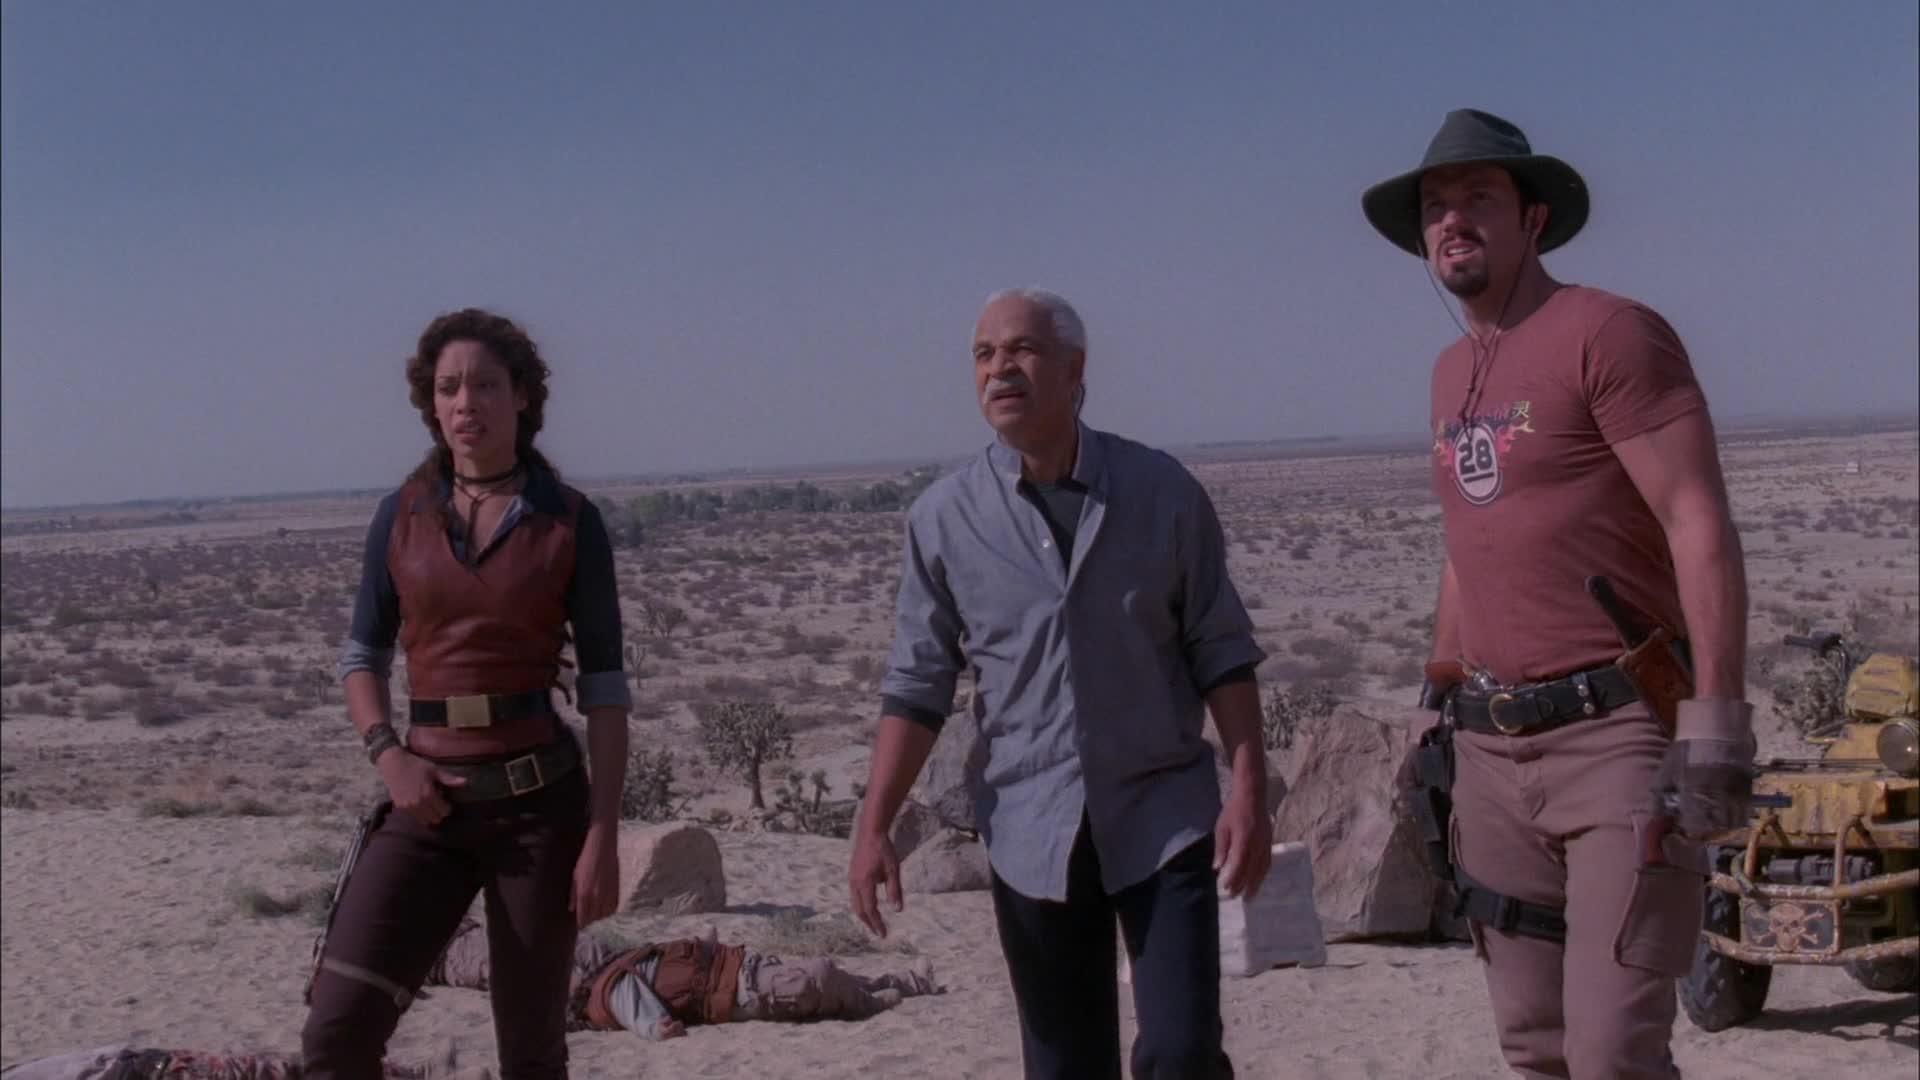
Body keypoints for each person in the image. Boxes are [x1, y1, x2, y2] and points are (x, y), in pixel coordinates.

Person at [1362, 109, 1752, 1077]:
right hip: (1490, 752)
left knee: (1614, 1053)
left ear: (1533, 217)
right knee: (1534, 1049)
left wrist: (1716, 724)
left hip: (1616, 735)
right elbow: (1473, 542)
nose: (1452, 220)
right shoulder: (1451, 373)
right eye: (1435, 206)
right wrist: (1434, 695)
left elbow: (1696, 520)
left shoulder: (1609, 334)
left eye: (1477, 198)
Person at [847, 288, 1271, 1080]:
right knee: (1065, 1067)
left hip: (1162, 814)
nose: (999, 370)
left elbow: (1220, 648)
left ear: (1076, 369)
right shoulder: (944, 518)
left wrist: (1250, 789)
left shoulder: (1162, 492)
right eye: (983, 355)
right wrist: (873, 826)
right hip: (1030, 826)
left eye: (1023, 350)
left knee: (1179, 1051)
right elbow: (918, 685)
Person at [300, 308, 632, 1079]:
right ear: (430, 401)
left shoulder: (568, 521)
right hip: (427, 807)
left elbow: (605, 691)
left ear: (522, 395)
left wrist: (603, 834)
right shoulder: (402, 515)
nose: (465, 403)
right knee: (336, 1034)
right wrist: (389, 756)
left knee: (531, 1055)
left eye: (484, 385)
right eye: (448, 387)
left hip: (539, 811)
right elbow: (362, 657)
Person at [423, 917, 941, 1037]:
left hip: (733, 966)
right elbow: (627, 998)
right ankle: (882, 997)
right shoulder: (604, 989)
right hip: (734, 988)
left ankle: (902, 983)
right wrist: (654, 1026)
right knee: (819, 976)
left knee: (826, 974)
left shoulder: (603, 964)